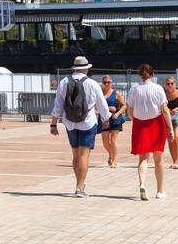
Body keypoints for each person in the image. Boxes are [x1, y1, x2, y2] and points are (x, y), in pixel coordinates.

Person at [50, 56, 110, 197]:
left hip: (70, 122)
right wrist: (106, 118)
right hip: (87, 122)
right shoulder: (92, 84)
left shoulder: (64, 82)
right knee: (84, 154)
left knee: (75, 154)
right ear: (86, 68)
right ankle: (79, 187)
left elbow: (57, 105)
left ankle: (79, 183)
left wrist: (53, 124)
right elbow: (102, 104)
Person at [127, 64, 171, 201]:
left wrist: (135, 119)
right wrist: (170, 128)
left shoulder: (134, 89)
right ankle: (160, 191)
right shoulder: (158, 88)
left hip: (140, 124)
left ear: (140, 75)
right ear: (152, 75)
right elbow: (164, 109)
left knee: (143, 158)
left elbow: (130, 110)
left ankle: (142, 184)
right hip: (156, 124)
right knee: (158, 159)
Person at [99, 74, 127, 168]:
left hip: (115, 119)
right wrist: (107, 108)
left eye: (108, 82)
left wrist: (118, 113)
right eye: (105, 82)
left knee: (113, 140)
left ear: (111, 83)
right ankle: (111, 154)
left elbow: (124, 105)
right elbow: (96, 105)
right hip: (104, 119)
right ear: (102, 83)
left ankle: (114, 160)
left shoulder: (116, 93)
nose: (107, 84)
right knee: (105, 141)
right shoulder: (99, 93)